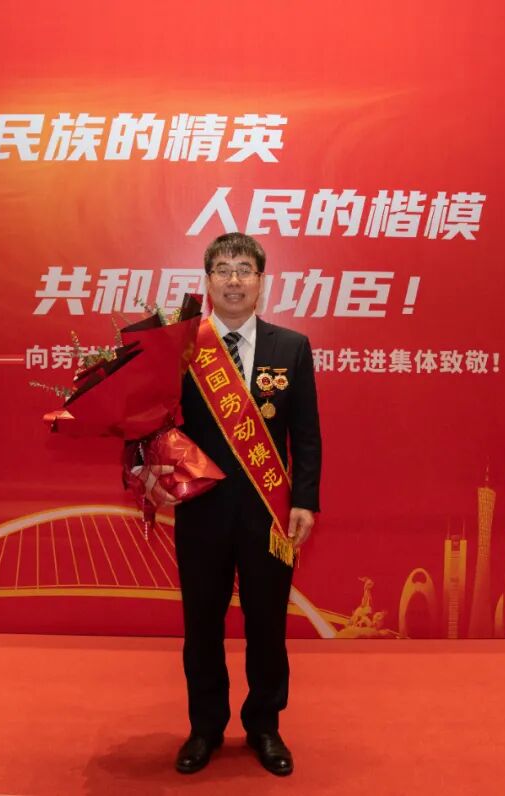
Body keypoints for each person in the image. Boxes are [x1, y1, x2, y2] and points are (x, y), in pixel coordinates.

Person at [140, 232, 321, 775]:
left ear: (261, 281)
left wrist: (305, 500)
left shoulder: (292, 347)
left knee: (267, 625)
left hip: (269, 511)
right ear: (208, 280)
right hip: (202, 510)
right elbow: (154, 423)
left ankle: (265, 726)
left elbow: (306, 434)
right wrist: (148, 465)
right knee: (202, 626)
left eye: (245, 269)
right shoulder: (183, 347)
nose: (234, 280)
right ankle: (205, 727)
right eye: (223, 269)